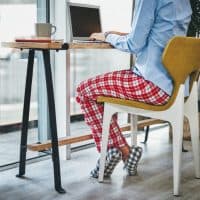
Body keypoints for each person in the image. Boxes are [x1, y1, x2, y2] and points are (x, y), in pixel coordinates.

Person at [76, 0, 192, 178]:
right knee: (102, 90)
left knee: (85, 90)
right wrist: (118, 35)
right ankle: (123, 150)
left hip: (151, 83)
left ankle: (115, 151)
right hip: (176, 87)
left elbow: (134, 45)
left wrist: (106, 36)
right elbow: (159, 35)